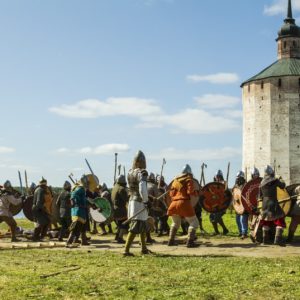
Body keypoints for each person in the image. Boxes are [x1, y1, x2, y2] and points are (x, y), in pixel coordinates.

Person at [124, 150, 151, 256]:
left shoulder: (130, 172)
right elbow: (142, 188)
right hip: (139, 202)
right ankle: (126, 250)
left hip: (132, 201)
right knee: (135, 226)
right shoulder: (141, 172)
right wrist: (146, 201)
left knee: (142, 225)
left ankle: (144, 248)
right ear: (141, 161)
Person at [167, 164, 200, 248]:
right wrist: (197, 192)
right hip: (184, 202)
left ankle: (170, 240)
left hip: (173, 204)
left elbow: (171, 194)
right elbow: (190, 191)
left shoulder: (175, 181)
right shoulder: (189, 179)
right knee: (194, 222)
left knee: (175, 223)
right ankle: (190, 241)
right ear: (189, 172)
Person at [259, 165, 286, 246]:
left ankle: (265, 240)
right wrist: (280, 178)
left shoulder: (262, 182)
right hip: (273, 203)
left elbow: (260, 196)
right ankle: (277, 240)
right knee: (279, 220)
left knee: (266, 221)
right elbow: (283, 186)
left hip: (264, 204)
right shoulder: (275, 180)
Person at [66, 175, 89, 247]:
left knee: (83, 227)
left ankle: (84, 240)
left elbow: (84, 200)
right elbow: (73, 196)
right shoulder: (80, 189)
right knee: (76, 227)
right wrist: (74, 202)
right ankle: (68, 242)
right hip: (78, 210)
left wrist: (91, 204)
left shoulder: (79, 188)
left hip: (81, 210)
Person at [209, 170, 229, 235]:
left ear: (221, 176)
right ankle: (216, 231)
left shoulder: (224, 183)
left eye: (219, 176)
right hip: (215, 204)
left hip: (222, 204)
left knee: (217, 217)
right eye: (217, 176)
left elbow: (227, 193)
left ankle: (225, 229)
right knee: (211, 216)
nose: (217, 177)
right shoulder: (213, 184)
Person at [111, 175, 129, 243]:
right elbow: (126, 199)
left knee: (119, 224)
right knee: (124, 223)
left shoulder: (114, 188)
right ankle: (120, 237)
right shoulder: (121, 189)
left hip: (115, 208)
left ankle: (117, 236)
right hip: (121, 209)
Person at [233, 171, 248, 239]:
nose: (238, 179)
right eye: (237, 177)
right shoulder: (236, 185)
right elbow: (234, 193)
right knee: (237, 219)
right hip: (238, 205)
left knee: (243, 219)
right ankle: (240, 232)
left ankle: (244, 233)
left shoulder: (246, 184)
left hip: (244, 205)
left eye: (239, 177)